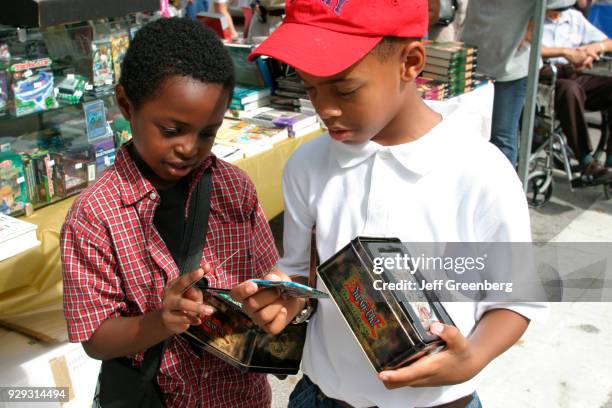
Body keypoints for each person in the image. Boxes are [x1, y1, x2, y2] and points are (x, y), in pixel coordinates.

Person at [231, 1, 547, 407]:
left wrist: (471, 360)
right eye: (309, 86)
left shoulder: (479, 171)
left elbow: (516, 299)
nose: (324, 108)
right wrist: (282, 298)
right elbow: (298, 272)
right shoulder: (307, 165)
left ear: (410, 62)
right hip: (326, 395)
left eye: (345, 88)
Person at [60, 18, 280, 407]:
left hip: (239, 396)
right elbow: (95, 338)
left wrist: (277, 300)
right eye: (172, 129)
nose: (189, 148)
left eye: (207, 133)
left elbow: (267, 280)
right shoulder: (95, 215)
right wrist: (160, 322)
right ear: (126, 104)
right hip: (157, 396)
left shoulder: (235, 189)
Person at [540, 0, 612, 180]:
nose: (557, 14)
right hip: (546, 75)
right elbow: (530, 49)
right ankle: (586, 160)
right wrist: (565, 52)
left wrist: (594, 48)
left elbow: (606, 42)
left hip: (574, 72)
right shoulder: (532, 19)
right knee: (570, 90)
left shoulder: (574, 18)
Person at [462, 0, 536, 167]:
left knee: (501, 138)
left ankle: (504, 191)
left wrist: (533, 24)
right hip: (470, 60)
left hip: (510, 69)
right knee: (467, 131)